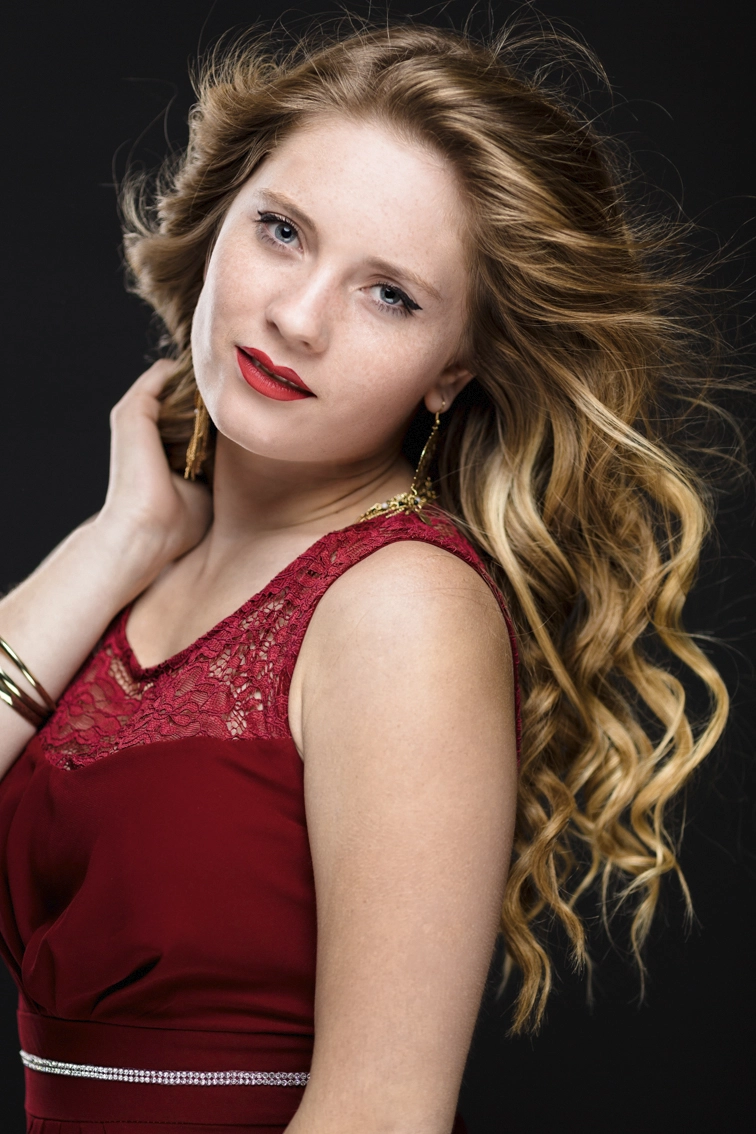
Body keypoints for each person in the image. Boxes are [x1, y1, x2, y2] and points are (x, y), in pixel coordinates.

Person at [0, 21, 729, 1134]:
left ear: (453, 372)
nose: (297, 317)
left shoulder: (403, 606)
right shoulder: (153, 561)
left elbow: (380, 1118)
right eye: (283, 231)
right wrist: (120, 540)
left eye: (390, 294)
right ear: (221, 219)